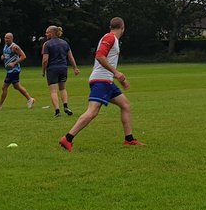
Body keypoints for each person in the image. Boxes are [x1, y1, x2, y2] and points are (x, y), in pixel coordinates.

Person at [59, 17, 144, 150]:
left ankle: (129, 139)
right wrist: (116, 73)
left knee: (125, 105)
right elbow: (99, 56)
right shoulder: (110, 38)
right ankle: (67, 138)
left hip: (107, 81)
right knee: (92, 111)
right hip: (101, 81)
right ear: (123, 28)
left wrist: (119, 78)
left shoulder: (112, 39)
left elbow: (106, 60)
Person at [41, 24, 80, 118]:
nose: (46, 34)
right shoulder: (64, 43)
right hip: (63, 68)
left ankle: (57, 111)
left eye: (47, 32)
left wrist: (43, 70)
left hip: (52, 69)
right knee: (63, 88)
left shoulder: (47, 44)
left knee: (53, 91)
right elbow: (70, 57)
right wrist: (75, 68)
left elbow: (45, 59)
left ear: (52, 33)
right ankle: (66, 106)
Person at [0, 32, 35, 110]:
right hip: (9, 70)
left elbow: (23, 56)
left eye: (8, 38)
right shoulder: (5, 45)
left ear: (12, 39)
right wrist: (3, 57)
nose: (6, 39)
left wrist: (14, 63)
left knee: (4, 87)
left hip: (14, 70)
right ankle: (30, 99)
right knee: (17, 86)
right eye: (5, 38)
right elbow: (6, 55)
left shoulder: (15, 47)